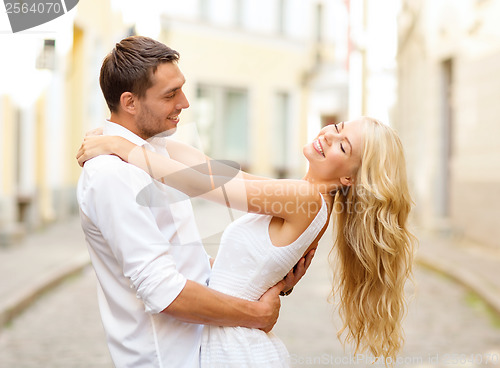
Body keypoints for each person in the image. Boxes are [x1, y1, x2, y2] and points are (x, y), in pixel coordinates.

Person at [77, 115, 416, 366]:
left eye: (343, 145)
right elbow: (209, 167)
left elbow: (207, 184)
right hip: (230, 343)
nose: (328, 136)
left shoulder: (304, 197)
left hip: (232, 349)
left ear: (348, 177)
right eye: (338, 127)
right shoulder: (309, 197)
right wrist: (122, 133)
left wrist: (121, 146)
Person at [76, 35, 313, 368]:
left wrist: (266, 273)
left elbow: (190, 264)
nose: (185, 103)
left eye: (181, 89)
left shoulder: (154, 152)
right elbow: (163, 290)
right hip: (172, 359)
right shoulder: (113, 175)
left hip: (204, 351)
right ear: (130, 103)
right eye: (171, 94)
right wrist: (256, 314)